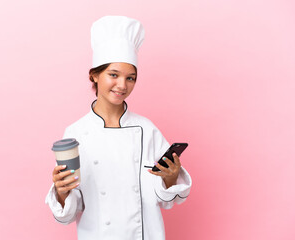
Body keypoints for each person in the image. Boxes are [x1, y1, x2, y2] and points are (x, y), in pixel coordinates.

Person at [45, 16, 192, 240]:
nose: (122, 85)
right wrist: (62, 191)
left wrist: (171, 178)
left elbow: (166, 200)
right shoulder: (76, 134)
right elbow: (69, 212)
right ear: (94, 75)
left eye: (130, 78)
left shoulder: (146, 129)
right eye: (113, 75)